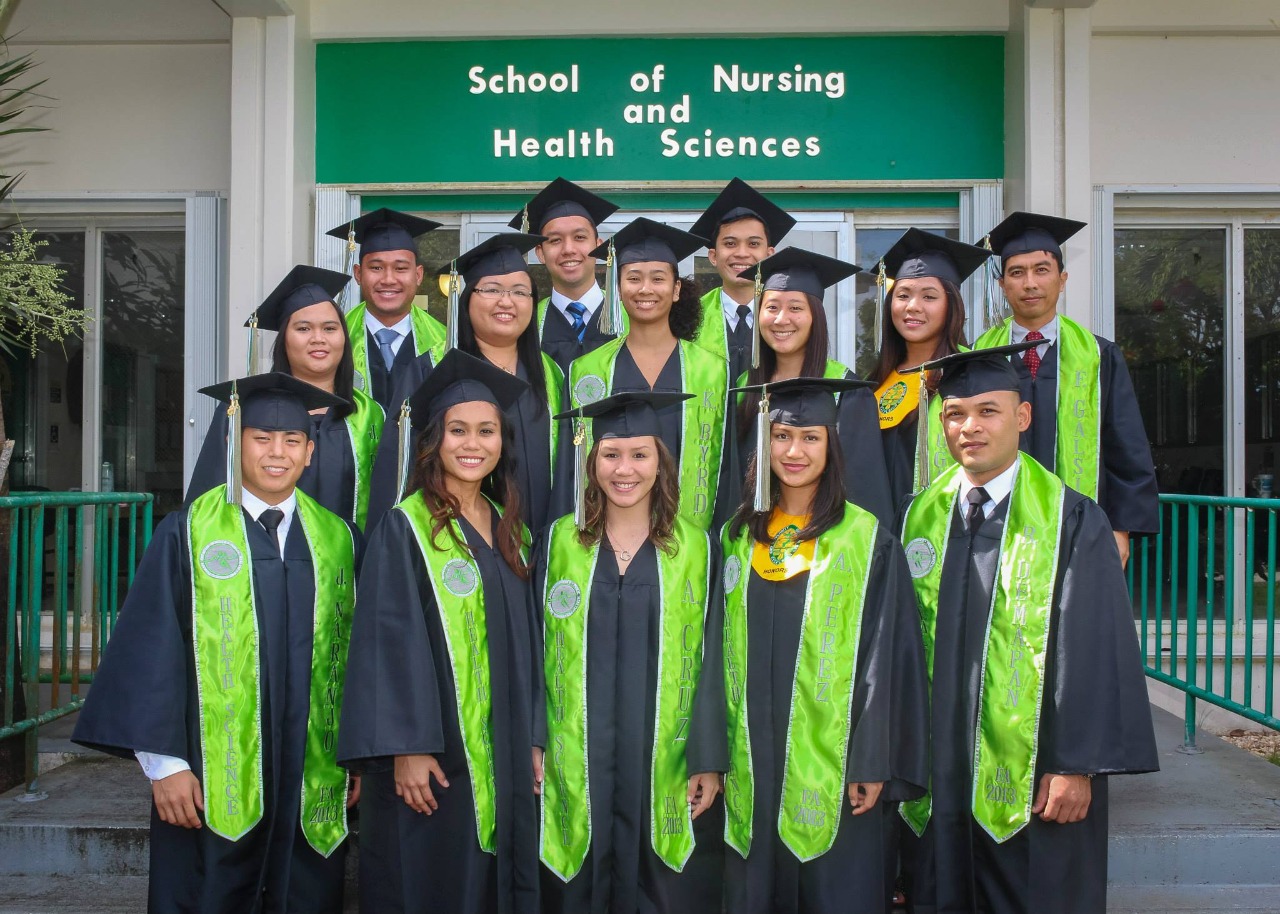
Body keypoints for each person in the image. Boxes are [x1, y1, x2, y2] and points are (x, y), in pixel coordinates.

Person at [73, 374, 361, 914]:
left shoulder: (339, 540)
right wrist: (165, 766)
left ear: (309, 453)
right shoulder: (189, 532)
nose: (277, 452)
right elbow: (151, 650)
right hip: (208, 779)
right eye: (261, 437)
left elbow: (356, 660)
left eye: (292, 441)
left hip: (311, 777)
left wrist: (354, 760)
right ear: (236, 441)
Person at [897, 345, 1159, 914]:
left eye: (989, 411)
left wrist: (1075, 763)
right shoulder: (919, 516)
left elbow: (1094, 648)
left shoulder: (1071, 518)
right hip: (940, 771)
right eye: (955, 413)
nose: (970, 427)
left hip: (1038, 776)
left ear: (1023, 417)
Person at [711, 377, 929, 914]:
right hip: (752, 761)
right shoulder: (737, 536)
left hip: (839, 767)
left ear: (832, 446)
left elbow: (889, 657)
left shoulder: (865, 537)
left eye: (810, 438)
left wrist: (872, 759)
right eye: (782, 436)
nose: (794, 451)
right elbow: (710, 654)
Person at [338, 351, 542, 914]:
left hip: (499, 743)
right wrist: (407, 748)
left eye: (486, 430)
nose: (472, 443)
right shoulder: (406, 527)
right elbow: (386, 644)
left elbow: (528, 645)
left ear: (503, 442)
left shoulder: (510, 528)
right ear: (433, 441)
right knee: (432, 879)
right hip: (434, 756)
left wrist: (531, 736)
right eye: (457, 430)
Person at [536, 391, 725, 914]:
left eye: (640, 455)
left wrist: (709, 758)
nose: (625, 469)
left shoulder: (698, 548)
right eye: (611, 454)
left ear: (661, 463)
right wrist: (534, 738)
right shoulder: (558, 544)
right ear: (590, 462)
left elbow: (715, 663)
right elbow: (532, 648)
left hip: (664, 754)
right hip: (578, 751)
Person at [973, 211, 1159, 566]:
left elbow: (1126, 445)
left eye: (1041, 270)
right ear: (1002, 285)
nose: (1030, 283)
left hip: (1081, 523)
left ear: (1062, 279)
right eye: (1017, 272)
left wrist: (1121, 529)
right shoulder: (980, 356)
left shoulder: (1098, 355)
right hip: (997, 528)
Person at [366, 232, 565, 535]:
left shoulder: (552, 375)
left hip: (539, 546)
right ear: (467, 297)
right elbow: (398, 468)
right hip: (451, 546)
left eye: (520, 292)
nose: (506, 301)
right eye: (492, 289)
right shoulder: (429, 369)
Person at [186, 265, 386, 529]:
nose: (318, 339)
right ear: (284, 340)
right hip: (261, 559)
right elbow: (208, 498)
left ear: (344, 338)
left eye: (329, 328)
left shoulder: (371, 414)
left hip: (349, 562)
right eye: (303, 329)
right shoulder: (240, 409)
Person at [566, 218, 727, 532]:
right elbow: (570, 469)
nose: (645, 289)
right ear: (617, 288)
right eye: (634, 278)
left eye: (658, 278)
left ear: (676, 289)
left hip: (688, 542)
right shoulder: (588, 371)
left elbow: (725, 470)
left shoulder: (712, 370)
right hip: (606, 540)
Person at [727, 247, 893, 527]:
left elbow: (864, 491)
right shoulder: (745, 386)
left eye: (795, 308)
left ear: (815, 315)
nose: (781, 320)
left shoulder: (848, 391)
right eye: (771, 307)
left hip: (825, 545)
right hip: (755, 541)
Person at [870, 229, 991, 507]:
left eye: (929, 296)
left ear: (951, 305)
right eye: (903, 295)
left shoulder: (972, 374)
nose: (913, 307)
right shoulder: (876, 381)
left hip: (947, 531)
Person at [326, 207, 445, 412]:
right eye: (376, 268)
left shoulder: (443, 343)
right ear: (358, 274)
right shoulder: (334, 338)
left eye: (400, 268)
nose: (388, 279)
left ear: (418, 275)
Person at [509, 177, 622, 376]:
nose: (568, 249)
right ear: (540, 253)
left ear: (599, 246)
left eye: (579, 237)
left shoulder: (630, 317)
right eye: (555, 240)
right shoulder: (525, 322)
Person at [689, 178, 797, 381]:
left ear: (769, 254)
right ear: (713, 256)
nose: (742, 253)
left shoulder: (787, 318)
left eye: (754, 244)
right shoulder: (689, 317)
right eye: (730, 243)